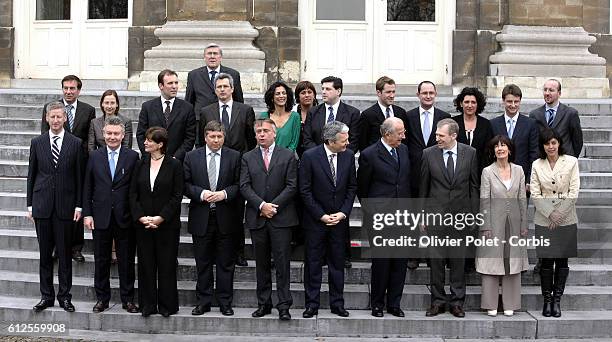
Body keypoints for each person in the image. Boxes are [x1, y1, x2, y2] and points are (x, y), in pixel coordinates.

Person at [240, 118, 299, 321]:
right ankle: (263, 304)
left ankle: (284, 305)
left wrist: (273, 206)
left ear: (274, 133)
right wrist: (261, 206)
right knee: (261, 264)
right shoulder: (248, 157)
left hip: (281, 218)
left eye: (265, 131)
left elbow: (292, 185)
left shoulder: (288, 156)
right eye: (258, 131)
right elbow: (244, 186)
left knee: (282, 264)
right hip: (258, 218)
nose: (261, 134)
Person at [28, 101, 84, 313]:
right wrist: (30, 204)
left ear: (65, 118)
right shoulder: (37, 142)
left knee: (64, 255)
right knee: (44, 255)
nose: (56, 120)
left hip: (66, 207)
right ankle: (46, 296)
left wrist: (79, 205)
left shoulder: (75, 143)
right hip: (42, 206)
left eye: (59, 117)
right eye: (52, 117)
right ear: (46, 118)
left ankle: (65, 296)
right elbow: (32, 175)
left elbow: (79, 177)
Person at [420, 118, 479, 318]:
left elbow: (473, 187)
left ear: (453, 136)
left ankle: (456, 302)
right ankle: (437, 301)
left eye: (441, 135)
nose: (437, 138)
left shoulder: (470, 153)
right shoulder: (428, 154)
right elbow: (424, 188)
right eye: (436, 135)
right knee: (436, 262)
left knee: (458, 261)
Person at [184, 121, 242, 316]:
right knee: (203, 262)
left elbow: (239, 184)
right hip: (201, 217)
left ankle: (225, 302)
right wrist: (201, 194)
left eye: (219, 136)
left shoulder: (234, 157)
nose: (216, 140)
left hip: (226, 217)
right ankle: (204, 301)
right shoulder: (192, 157)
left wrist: (224, 194)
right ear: (205, 136)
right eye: (212, 136)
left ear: (224, 137)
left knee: (226, 263)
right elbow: (185, 184)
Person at [82, 116, 139, 314]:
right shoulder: (94, 156)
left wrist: (135, 215)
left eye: (116, 134)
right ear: (103, 134)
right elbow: (87, 187)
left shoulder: (132, 157)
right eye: (109, 133)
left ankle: (128, 299)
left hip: (125, 217)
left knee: (126, 261)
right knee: (101, 260)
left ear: (123, 135)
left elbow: (135, 190)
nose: (112, 137)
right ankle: (102, 299)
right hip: (100, 217)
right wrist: (87, 214)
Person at [300, 121, 357, 318]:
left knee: (337, 264)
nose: (347, 143)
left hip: (339, 221)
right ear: (330, 141)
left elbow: (351, 188)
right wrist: (321, 215)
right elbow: (305, 191)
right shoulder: (309, 157)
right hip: (316, 221)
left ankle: (337, 303)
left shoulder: (348, 157)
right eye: (344, 140)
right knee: (313, 264)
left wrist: (343, 213)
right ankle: (312, 303)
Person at [199, 72, 256, 267]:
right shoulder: (206, 111)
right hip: (213, 166)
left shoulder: (245, 110)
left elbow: (250, 141)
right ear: (215, 90)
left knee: (236, 211)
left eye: (226, 86)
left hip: (237, 167)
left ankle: (238, 252)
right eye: (219, 87)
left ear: (232, 89)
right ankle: (215, 251)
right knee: (215, 214)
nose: (222, 90)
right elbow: (201, 141)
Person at [357, 117, 411, 318]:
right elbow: (363, 187)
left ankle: (394, 304)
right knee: (382, 262)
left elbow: (405, 181)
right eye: (400, 133)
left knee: (400, 262)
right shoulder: (370, 154)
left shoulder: (403, 150)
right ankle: (377, 304)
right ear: (388, 134)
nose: (403, 136)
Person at [129, 127, 184, 317]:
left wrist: (161, 218)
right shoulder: (140, 163)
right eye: (145, 139)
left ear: (160, 144)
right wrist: (141, 217)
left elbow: (177, 196)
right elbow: (132, 194)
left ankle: (167, 306)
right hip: (143, 225)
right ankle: (148, 305)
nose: (145, 142)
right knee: (146, 265)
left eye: (149, 140)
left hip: (167, 225)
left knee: (166, 265)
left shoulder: (174, 165)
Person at [41, 75, 95, 263]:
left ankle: (76, 247)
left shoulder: (88, 110)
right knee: (57, 208)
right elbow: (44, 135)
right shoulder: (51, 109)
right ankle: (57, 247)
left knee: (77, 204)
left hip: (78, 164)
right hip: (56, 165)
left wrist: (87, 161)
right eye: (66, 88)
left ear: (79, 90)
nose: (69, 91)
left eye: (72, 88)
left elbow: (90, 138)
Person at [477, 135, 529, 317]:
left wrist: (524, 223)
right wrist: (486, 225)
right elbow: (484, 201)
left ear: (510, 149)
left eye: (503, 145)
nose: (500, 149)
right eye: (497, 146)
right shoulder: (487, 172)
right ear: (493, 151)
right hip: (493, 222)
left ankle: (510, 303)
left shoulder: (519, 170)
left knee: (512, 262)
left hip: (514, 223)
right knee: (492, 262)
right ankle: (490, 303)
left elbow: (522, 199)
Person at [530, 128, 579, 318]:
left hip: (566, 218)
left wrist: (559, 214)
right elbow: (535, 193)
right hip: (544, 219)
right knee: (546, 261)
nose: (551, 146)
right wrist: (550, 213)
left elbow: (573, 190)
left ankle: (557, 299)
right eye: (547, 143)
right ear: (543, 145)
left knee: (562, 261)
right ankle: (547, 300)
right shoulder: (536, 164)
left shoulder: (571, 162)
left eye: (554, 143)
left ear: (559, 143)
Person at [404, 80, 451, 270]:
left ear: (436, 94)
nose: (428, 96)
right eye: (424, 93)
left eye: (431, 92)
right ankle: (414, 256)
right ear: (418, 95)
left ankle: (434, 256)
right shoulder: (408, 116)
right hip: (414, 173)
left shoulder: (444, 117)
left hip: (437, 174)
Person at [452, 86, 493, 273]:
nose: (470, 105)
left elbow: (489, 152)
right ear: (461, 103)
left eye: (473, 102)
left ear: (478, 104)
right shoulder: (453, 123)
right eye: (466, 102)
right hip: (456, 178)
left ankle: (470, 259)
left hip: (478, 178)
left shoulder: (486, 125)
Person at [136, 69, 196, 162]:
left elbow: (190, 138)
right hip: (152, 161)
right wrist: (152, 155)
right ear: (161, 86)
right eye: (170, 83)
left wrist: (176, 158)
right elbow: (141, 134)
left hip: (177, 163)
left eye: (176, 83)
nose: (174, 87)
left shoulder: (187, 108)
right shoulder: (148, 107)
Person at [489, 84, 539, 188]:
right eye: (509, 101)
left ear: (520, 101)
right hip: (498, 179)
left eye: (516, 101)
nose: (513, 105)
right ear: (503, 101)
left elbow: (534, 154)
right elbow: (489, 153)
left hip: (522, 179)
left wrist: (530, 180)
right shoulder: (493, 124)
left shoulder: (530, 124)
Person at [185, 43, 244, 120]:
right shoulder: (194, 75)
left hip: (225, 118)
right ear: (204, 57)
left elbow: (238, 100)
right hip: (201, 120)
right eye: (209, 54)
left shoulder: (233, 74)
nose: (212, 56)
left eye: (215, 54)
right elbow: (189, 101)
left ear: (220, 57)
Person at [302, 76, 360, 154]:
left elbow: (354, 142)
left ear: (338, 91)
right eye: (323, 89)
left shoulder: (352, 113)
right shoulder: (313, 112)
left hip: (341, 159)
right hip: (317, 159)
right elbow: (307, 139)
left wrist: (336, 155)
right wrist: (321, 155)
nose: (323, 92)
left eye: (328, 89)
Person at [529, 79, 583, 158]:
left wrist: (571, 159)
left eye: (551, 90)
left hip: (564, 160)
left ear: (559, 93)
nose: (547, 93)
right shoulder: (535, 115)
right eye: (545, 90)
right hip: (543, 161)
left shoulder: (570, 114)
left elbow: (577, 141)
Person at [358, 76, 408, 151]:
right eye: (388, 92)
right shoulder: (367, 115)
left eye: (393, 92)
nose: (392, 96)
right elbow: (363, 143)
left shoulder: (401, 113)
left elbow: (405, 139)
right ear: (378, 93)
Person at [259, 81, 301, 151]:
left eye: (284, 93)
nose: (281, 96)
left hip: (287, 158)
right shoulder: (264, 116)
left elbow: (294, 144)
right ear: (272, 98)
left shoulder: (295, 117)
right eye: (278, 94)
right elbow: (261, 140)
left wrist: (281, 158)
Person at [294, 80, 318, 157]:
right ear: (298, 96)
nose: (307, 95)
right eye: (303, 93)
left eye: (309, 92)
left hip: (316, 154)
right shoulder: (293, 113)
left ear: (314, 95)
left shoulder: (321, 112)